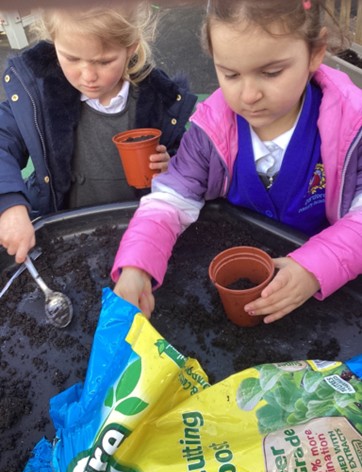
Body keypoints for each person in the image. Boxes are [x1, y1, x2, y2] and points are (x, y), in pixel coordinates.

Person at [112, 0, 362, 324]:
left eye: (271, 73)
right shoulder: (210, 131)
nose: (248, 95)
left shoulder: (351, 126)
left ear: (315, 52)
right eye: (230, 74)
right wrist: (136, 265)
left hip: (330, 298)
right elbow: (169, 201)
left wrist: (316, 268)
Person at [0, 2, 197, 264]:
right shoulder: (37, 95)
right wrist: (9, 202)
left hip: (136, 235)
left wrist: (170, 164)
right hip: (63, 234)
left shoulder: (159, 100)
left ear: (131, 49)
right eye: (71, 58)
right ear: (53, 42)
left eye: (104, 61)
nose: (88, 75)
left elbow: (190, 164)